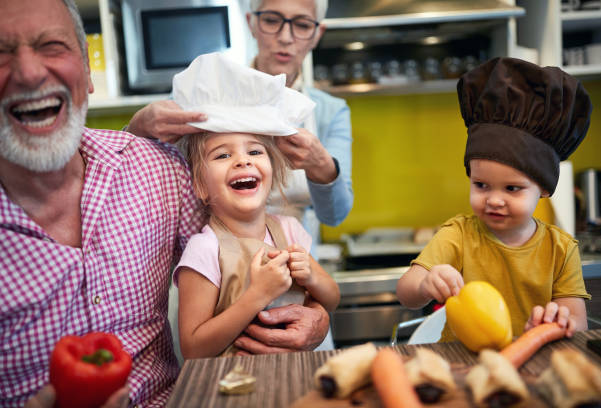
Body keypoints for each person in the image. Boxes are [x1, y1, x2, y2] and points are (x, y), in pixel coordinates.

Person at [0, 1, 326, 407]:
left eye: (52, 46)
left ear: (87, 73)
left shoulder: (158, 173)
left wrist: (317, 315)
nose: (29, 72)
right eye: (1, 52)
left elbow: (247, 239)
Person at [126, 0, 353, 250]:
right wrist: (138, 127)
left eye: (301, 25)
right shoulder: (207, 95)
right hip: (216, 264)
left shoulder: (330, 112)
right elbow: (129, 174)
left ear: (316, 34)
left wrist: (322, 165)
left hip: (295, 261)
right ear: (251, 23)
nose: (286, 37)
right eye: (271, 20)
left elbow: (335, 216)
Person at [396, 57, 593, 342]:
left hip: (535, 365)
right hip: (461, 364)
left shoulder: (561, 250)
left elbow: (578, 323)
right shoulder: (458, 235)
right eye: (481, 185)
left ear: (545, 189)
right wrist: (426, 283)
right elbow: (406, 293)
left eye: (512, 189)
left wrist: (560, 320)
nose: (494, 200)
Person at [171, 53, 340, 358]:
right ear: (199, 185)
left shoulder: (289, 230)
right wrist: (257, 295)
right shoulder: (204, 249)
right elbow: (193, 348)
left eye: (255, 151)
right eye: (222, 155)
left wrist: (313, 277)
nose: (243, 160)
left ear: (273, 171)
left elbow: (332, 298)